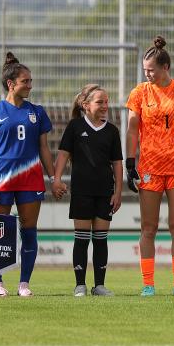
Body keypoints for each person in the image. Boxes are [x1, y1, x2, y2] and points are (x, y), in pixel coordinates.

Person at [126, 36, 174, 297]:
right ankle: (148, 283)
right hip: (149, 167)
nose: (147, 74)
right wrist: (130, 163)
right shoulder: (139, 93)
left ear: (165, 68)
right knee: (148, 228)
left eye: (151, 70)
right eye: (145, 70)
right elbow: (132, 129)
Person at [0, 52, 55, 297]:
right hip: (1, 179)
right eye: (26, 81)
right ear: (11, 84)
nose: (30, 85)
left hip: (31, 179)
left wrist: (53, 177)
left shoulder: (38, 111)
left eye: (30, 81)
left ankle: (24, 284)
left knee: (29, 230)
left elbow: (44, 148)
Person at [52, 84, 123, 297]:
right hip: (81, 191)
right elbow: (63, 155)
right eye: (99, 102)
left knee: (101, 239)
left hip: (105, 192)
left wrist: (118, 191)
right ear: (86, 105)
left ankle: (99, 285)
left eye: (107, 101)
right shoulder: (74, 127)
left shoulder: (112, 130)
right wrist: (56, 180)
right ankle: (80, 285)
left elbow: (117, 163)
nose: (104, 106)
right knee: (81, 238)